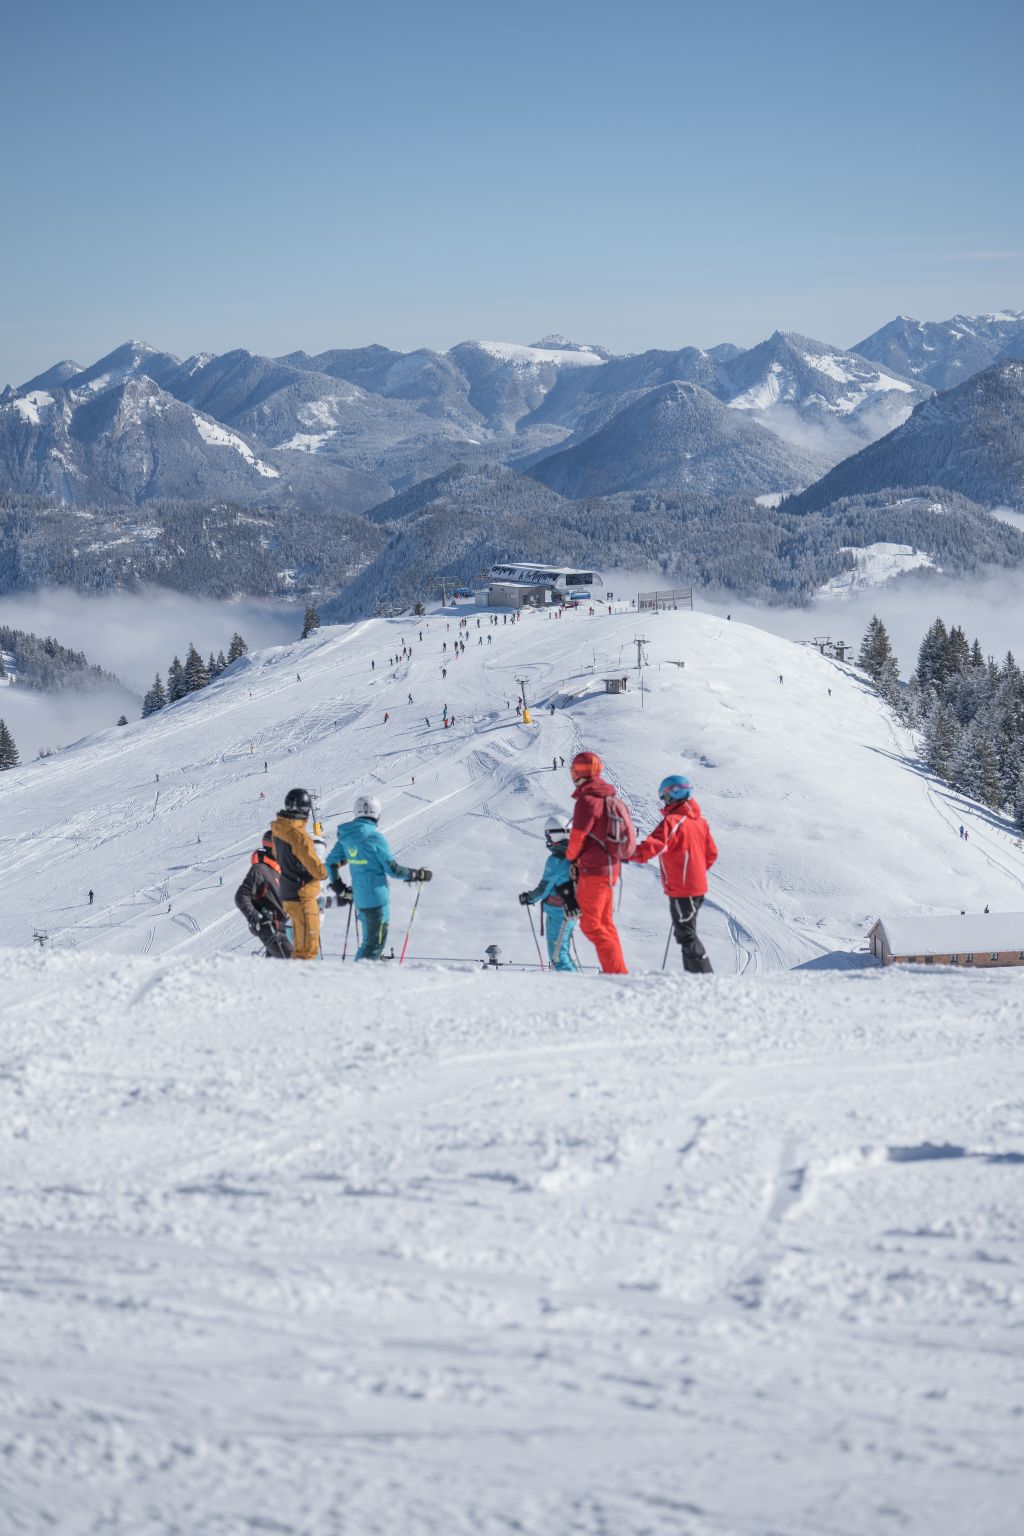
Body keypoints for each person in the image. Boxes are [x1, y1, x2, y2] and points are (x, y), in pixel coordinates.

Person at [326, 795, 431, 960]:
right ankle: (356, 980)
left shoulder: (346, 838)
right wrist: (416, 874)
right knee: (374, 946)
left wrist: (339, 887)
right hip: (377, 899)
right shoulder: (375, 837)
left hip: (360, 899)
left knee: (368, 943)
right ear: (377, 814)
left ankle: (357, 978)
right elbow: (393, 869)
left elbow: (331, 863)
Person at [631, 775, 717, 973]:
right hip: (695, 887)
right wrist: (695, 873)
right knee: (685, 932)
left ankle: (704, 976)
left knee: (686, 934)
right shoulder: (699, 822)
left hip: (682, 889)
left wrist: (625, 852)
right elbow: (711, 853)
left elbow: (651, 848)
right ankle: (695, 976)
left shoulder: (673, 821)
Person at [564, 751, 628, 974]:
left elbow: (577, 837)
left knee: (591, 925)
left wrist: (570, 859)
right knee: (605, 923)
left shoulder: (587, 800)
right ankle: (619, 972)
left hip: (593, 870)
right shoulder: (609, 798)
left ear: (578, 772)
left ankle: (616, 973)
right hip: (611, 869)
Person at [270, 788, 327, 960]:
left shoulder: (278, 831)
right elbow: (312, 863)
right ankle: (302, 982)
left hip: (287, 892)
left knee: (300, 945)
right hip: (303, 892)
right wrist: (322, 873)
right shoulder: (297, 834)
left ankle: (297, 980)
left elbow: (277, 856)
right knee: (308, 946)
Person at [519, 818, 580, 972]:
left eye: (548, 836)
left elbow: (544, 887)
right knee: (561, 952)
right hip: (570, 911)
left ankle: (571, 987)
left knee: (558, 956)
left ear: (554, 835)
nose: (547, 840)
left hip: (559, 913)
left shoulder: (556, 860)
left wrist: (529, 898)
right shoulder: (574, 855)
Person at [234, 830, 299, 958]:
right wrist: (256, 917)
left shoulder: (277, 873)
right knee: (293, 963)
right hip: (270, 927)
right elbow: (241, 896)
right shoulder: (260, 870)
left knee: (276, 969)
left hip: (282, 928)